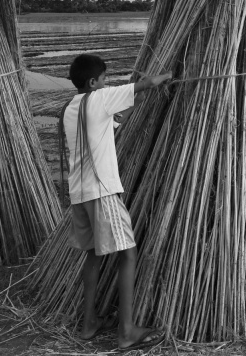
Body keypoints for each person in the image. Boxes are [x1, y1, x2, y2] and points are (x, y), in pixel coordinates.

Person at [63, 53, 171, 350]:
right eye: (104, 79)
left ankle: (89, 325)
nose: (106, 83)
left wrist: (125, 113)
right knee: (128, 254)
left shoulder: (71, 108)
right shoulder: (99, 98)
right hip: (102, 192)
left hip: (79, 195)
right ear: (92, 82)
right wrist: (165, 75)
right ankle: (126, 332)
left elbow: (111, 124)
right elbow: (144, 84)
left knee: (94, 255)